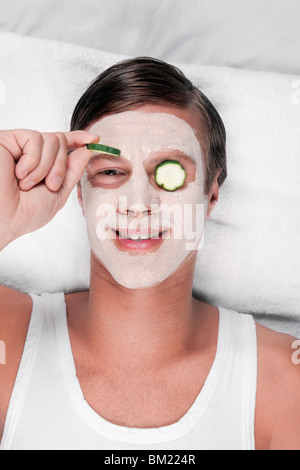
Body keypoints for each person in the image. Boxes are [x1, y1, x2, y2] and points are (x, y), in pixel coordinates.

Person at [0, 57, 299, 451]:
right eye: (110, 172)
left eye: (169, 171)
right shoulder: (10, 337)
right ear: (79, 192)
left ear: (211, 195)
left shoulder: (283, 380)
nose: (138, 204)